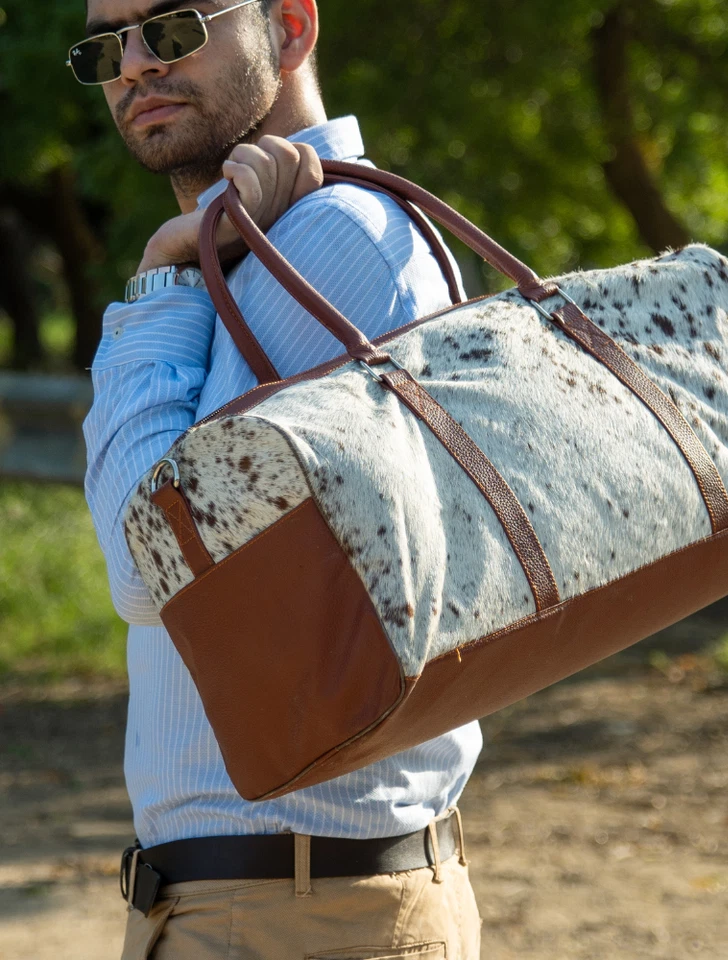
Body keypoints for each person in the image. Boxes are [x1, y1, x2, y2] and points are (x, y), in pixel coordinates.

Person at [77, 1, 483, 957]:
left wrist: (161, 275)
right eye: (105, 47)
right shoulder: (258, 250)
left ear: (291, 28)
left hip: (297, 912)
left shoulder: (331, 243)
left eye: (171, 27)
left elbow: (152, 568)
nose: (132, 65)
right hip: (267, 900)